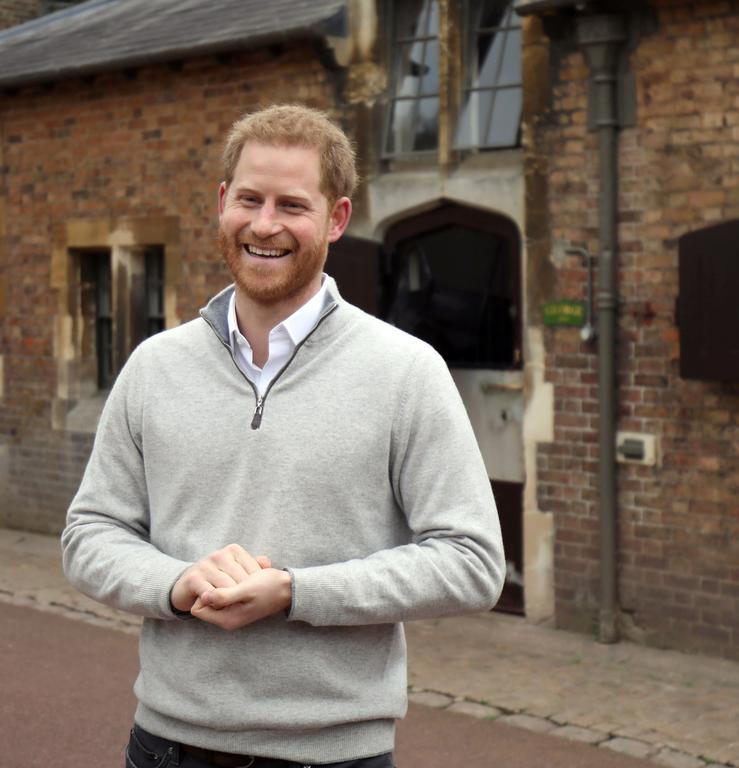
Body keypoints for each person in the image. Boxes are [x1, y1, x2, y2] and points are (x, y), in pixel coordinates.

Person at [62, 104, 505, 768]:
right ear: (221, 203)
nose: (264, 225)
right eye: (249, 199)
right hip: (166, 746)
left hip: (333, 755)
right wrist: (178, 582)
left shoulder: (406, 372)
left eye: (292, 205)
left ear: (336, 219)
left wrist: (298, 592)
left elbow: (472, 562)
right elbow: (90, 533)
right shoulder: (156, 366)